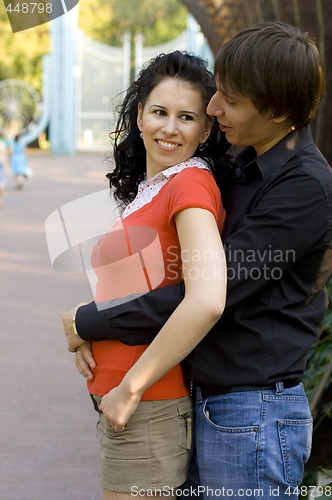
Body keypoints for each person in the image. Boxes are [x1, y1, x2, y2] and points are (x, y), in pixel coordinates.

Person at [64, 22, 332, 499]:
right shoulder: (244, 164)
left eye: (227, 99)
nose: (212, 108)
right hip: (212, 399)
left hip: (253, 410)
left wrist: (95, 322)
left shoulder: (304, 187)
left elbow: (210, 291)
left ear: (274, 110)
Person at [63, 51, 229, 499]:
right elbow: (139, 288)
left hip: (145, 408)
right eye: (159, 112)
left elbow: (207, 299)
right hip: (124, 405)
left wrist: (131, 389)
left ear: (207, 128)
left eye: (187, 117)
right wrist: (85, 328)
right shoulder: (153, 189)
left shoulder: (189, 185)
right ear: (139, 115)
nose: (170, 128)